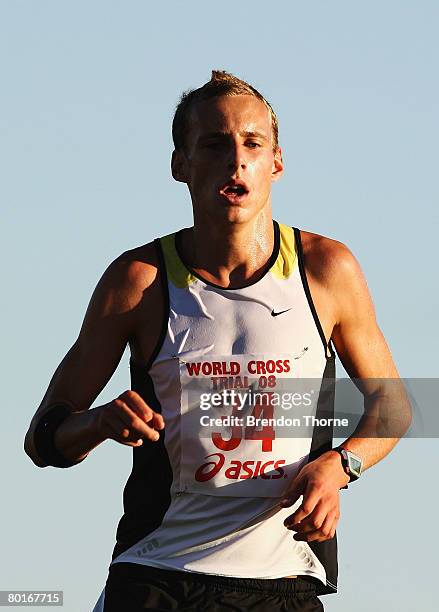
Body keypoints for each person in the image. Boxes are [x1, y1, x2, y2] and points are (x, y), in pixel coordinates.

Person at [24, 70, 411, 612]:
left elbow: (395, 405)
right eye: (214, 144)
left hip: (285, 580)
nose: (237, 160)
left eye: (253, 143)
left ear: (276, 161)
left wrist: (341, 466)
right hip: (158, 574)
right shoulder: (138, 280)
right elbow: (43, 439)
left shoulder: (327, 269)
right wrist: (98, 422)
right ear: (180, 165)